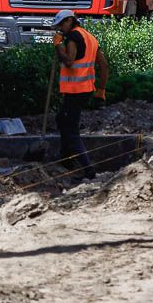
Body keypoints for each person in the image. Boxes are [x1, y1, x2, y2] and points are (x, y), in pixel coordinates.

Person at [51, 9, 109, 181]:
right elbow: (104, 66)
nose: (61, 29)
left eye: (62, 24)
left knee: (71, 130)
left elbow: (69, 61)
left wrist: (57, 45)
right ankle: (65, 159)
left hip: (75, 90)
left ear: (70, 21)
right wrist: (100, 91)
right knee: (62, 119)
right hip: (85, 89)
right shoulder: (90, 37)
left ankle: (88, 169)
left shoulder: (74, 38)